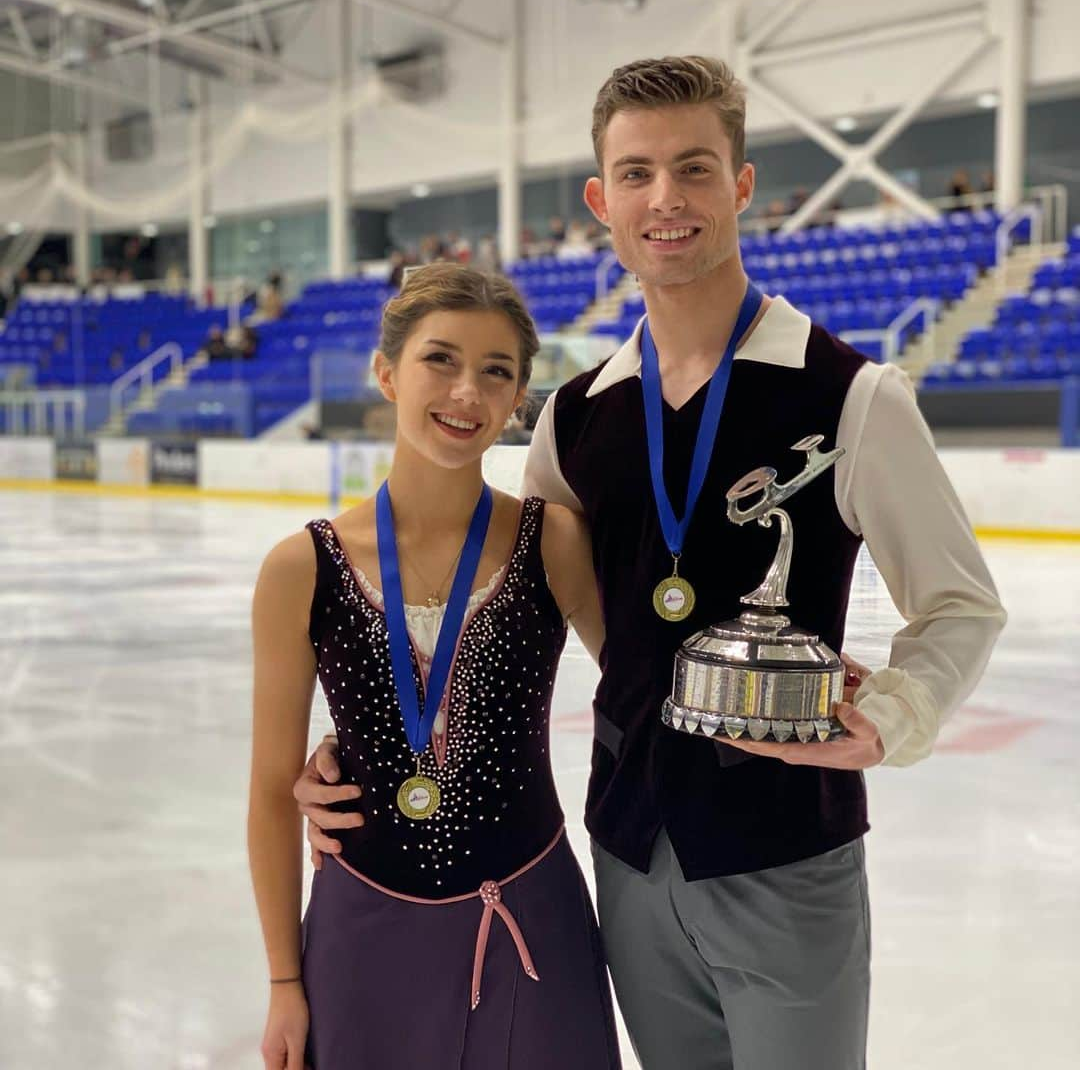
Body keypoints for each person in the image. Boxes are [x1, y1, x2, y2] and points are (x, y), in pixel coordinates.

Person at [295, 56, 1006, 1070]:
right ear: (601, 199)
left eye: (694, 169)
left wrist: (893, 717)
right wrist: (357, 752)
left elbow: (962, 606)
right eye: (635, 173)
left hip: (785, 848)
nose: (664, 199)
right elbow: (500, 617)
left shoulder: (851, 398)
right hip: (628, 851)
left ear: (743, 184)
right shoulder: (577, 418)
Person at [248, 262, 621, 1070]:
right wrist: (284, 979)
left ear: (519, 399)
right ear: (387, 373)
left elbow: (641, 685)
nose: (467, 393)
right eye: (440, 360)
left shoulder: (550, 540)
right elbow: (271, 795)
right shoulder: (301, 568)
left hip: (530, 919)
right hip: (362, 932)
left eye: (497, 373)